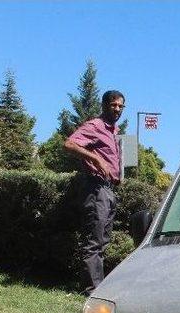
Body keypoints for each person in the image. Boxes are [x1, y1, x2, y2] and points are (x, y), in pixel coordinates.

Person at [64, 90, 125, 295]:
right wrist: (96, 159)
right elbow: (70, 144)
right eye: (113, 105)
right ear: (104, 105)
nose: (117, 109)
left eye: (120, 106)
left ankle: (98, 288)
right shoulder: (95, 126)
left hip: (108, 189)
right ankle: (92, 291)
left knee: (103, 240)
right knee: (94, 240)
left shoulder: (112, 131)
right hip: (96, 188)